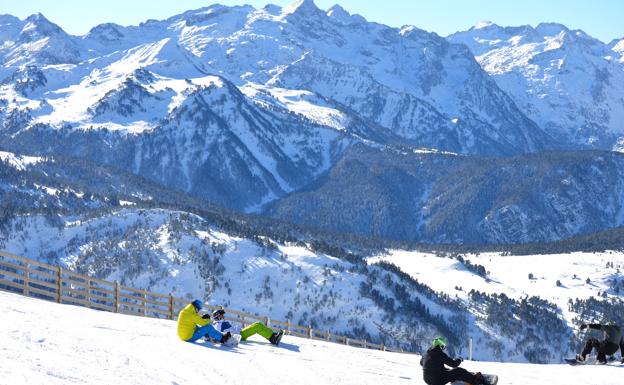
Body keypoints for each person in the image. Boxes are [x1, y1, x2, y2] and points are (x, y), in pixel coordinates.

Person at [420, 337, 492, 385]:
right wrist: (459, 359)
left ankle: (460, 378)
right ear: (440, 346)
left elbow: (421, 363)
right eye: (443, 346)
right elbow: (454, 364)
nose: (443, 348)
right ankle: (476, 381)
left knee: (447, 370)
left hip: (427, 379)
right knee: (459, 370)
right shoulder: (440, 354)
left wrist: (436, 366)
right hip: (437, 380)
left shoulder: (426, 353)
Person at [211, 308, 284, 345]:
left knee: (258, 324)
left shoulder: (221, 322)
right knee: (258, 326)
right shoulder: (218, 325)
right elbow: (220, 335)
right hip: (239, 335)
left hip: (240, 332)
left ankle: (273, 336)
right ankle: (273, 338)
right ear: (217, 316)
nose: (223, 316)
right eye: (221, 315)